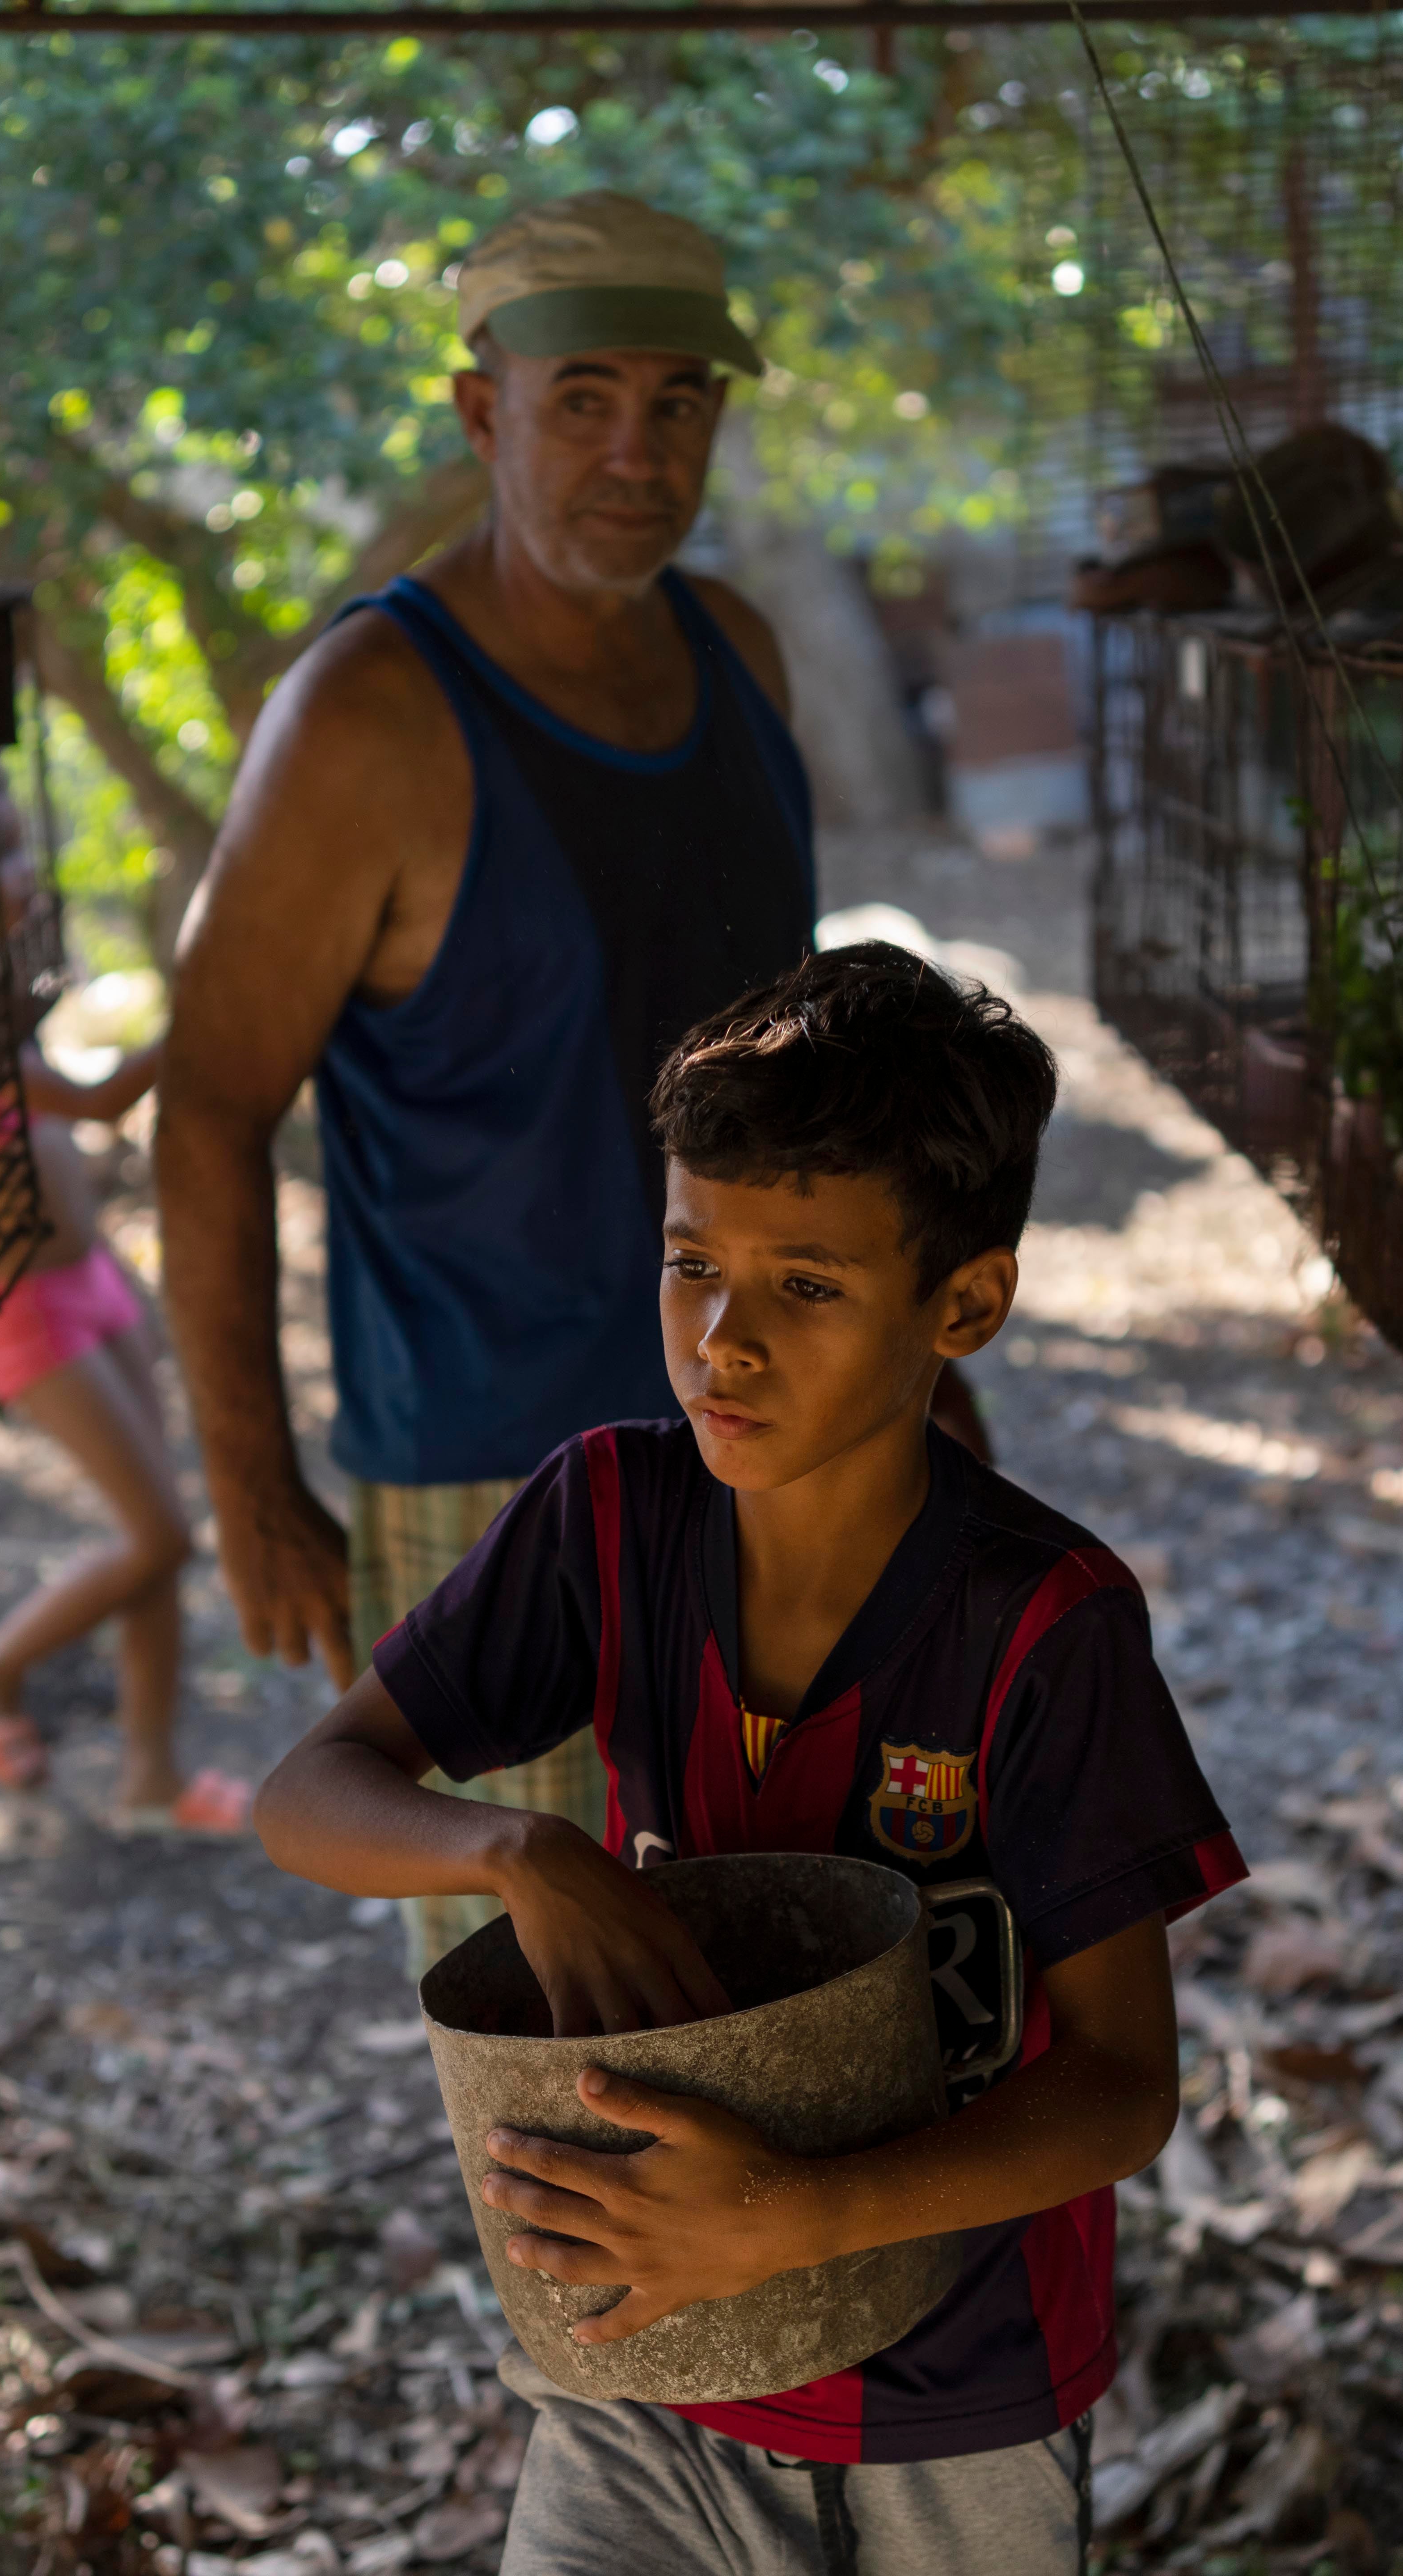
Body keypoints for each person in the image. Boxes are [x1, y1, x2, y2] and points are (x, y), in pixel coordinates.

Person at [255, 947, 1242, 2576]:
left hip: (945, 2396)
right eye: (690, 1262)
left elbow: (1127, 2088)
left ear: (966, 1306)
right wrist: (522, 1855)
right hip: (641, 2362)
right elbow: (311, 1792)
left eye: (809, 1285)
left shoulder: (1044, 1627)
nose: (724, 1341)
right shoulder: (609, 1518)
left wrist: (794, 2217)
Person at [156, 190, 821, 1965]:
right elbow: (209, 1104)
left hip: (781, 1447)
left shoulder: (738, 657)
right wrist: (253, 1485)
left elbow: (805, 1090)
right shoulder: (372, 713)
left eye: (678, 400)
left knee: (800, 1974)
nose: (635, 448)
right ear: (482, 415)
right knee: (573, 2055)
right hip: (498, 1497)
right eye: (582, 396)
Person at [0, 788, 249, 1836]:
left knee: (155, 1536)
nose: (25, 872)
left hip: (89, 1282)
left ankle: (153, 1777)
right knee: (159, 1537)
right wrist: (221, 1002)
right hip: (23, 1311)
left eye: (21, 845)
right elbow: (98, 1103)